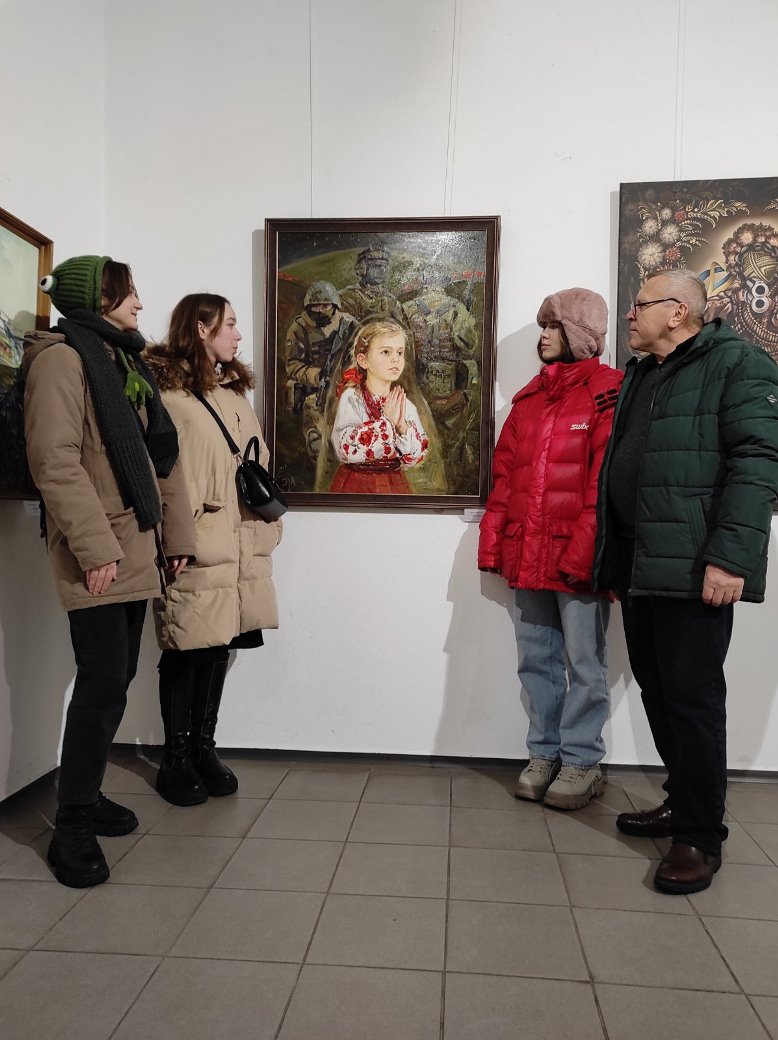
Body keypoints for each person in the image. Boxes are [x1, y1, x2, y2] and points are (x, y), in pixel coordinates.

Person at [594, 269, 778, 893]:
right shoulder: (644, 371)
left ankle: (699, 836)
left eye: (640, 304)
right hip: (640, 560)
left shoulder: (738, 364)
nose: (630, 314)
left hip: (695, 565)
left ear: (678, 312)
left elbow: (759, 464)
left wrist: (730, 559)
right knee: (658, 689)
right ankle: (682, 801)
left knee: (693, 700)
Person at [24, 255, 195, 887]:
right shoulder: (63, 360)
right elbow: (56, 462)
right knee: (101, 683)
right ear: (99, 298)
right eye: (129, 293)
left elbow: (159, 458)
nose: (140, 304)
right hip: (100, 552)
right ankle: (71, 826)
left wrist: (176, 536)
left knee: (116, 679)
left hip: (135, 545)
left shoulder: (123, 363)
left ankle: (87, 794)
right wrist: (96, 550)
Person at [478, 289, 623, 810]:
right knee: (535, 660)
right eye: (543, 326)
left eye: (553, 326)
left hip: (576, 556)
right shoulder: (529, 400)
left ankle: (581, 760)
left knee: (585, 662)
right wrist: (495, 545)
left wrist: (586, 552)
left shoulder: (609, 392)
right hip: (528, 551)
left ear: (580, 335)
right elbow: (504, 480)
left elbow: (605, 485)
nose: (542, 336)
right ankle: (543, 753)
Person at [144, 294, 282, 806]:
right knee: (186, 646)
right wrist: (173, 537)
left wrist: (268, 531)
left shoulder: (234, 395)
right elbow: (160, 475)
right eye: (229, 325)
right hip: (196, 544)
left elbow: (256, 463)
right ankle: (175, 758)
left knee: (218, 645)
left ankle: (204, 748)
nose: (238, 335)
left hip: (240, 542)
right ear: (200, 329)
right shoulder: (167, 397)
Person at [329, 319, 429, 494]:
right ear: (363, 360)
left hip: (394, 484)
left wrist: (402, 426)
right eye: (385, 352)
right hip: (356, 482)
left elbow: (416, 456)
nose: (395, 359)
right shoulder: (352, 398)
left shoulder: (404, 403)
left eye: (400, 353)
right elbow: (345, 448)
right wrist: (387, 422)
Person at [284, 281, 357, 458]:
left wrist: (348, 373)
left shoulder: (348, 324)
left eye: (325, 306)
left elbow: (361, 350)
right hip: (314, 384)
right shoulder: (299, 328)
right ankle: (314, 436)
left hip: (344, 379)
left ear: (334, 306)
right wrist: (316, 375)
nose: (320, 310)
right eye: (316, 306)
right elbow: (292, 365)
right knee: (312, 405)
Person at [338, 245, 403, 323]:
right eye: (377, 266)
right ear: (362, 268)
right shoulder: (347, 296)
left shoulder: (392, 300)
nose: (382, 271)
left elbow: (401, 326)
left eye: (384, 267)